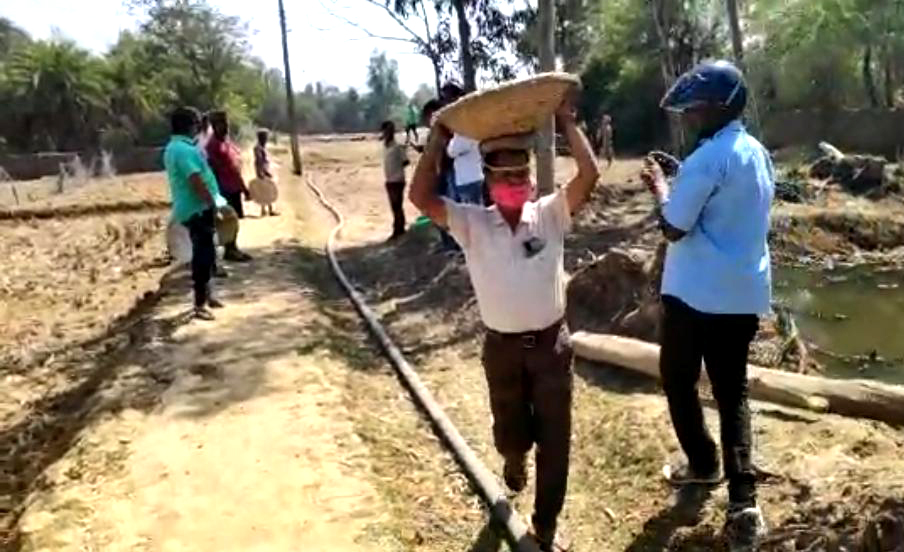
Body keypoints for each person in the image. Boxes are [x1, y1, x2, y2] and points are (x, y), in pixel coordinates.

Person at [409, 92, 600, 552]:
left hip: (552, 347)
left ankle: (546, 525)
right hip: (502, 349)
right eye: (504, 176)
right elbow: (419, 195)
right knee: (509, 427)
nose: (515, 182)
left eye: (521, 174)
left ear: (532, 180)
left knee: (556, 439)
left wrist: (565, 122)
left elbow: (589, 175)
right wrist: (438, 138)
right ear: (489, 184)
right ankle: (514, 460)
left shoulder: (551, 215)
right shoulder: (472, 222)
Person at [639, 60, 773, 552]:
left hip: (695, 293)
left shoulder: (705, 159)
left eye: (697, 107)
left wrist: (659, 188)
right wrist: (683, 180)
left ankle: (702, 464)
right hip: (741, 294)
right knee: (732, 390)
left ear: (719, 106)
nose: (690, 114)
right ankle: (744, 503)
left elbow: (674, 227)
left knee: (677, 378)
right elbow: (727, 205)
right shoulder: (756, 153)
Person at [163, 106, 227, 320]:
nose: (198, 128)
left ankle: (208, 297)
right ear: (189, 126)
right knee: (203, 255)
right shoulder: (183, 151)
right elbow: (196, 181)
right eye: (197, 124)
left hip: (194, 207)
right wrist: (212, 204)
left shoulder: (177, 147)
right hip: (196, 208)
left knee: (208, 253)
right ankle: (199, 304)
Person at [206, 110, 252, 262]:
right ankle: (229, 250)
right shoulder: (212, 146)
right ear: (214, 125)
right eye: (222, 124)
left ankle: (233, 248)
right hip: (222, 189)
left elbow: (233, 166)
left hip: (233, 186)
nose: (226, 127)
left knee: (234, 219)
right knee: (227, 221)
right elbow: (213, 169)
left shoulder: (226, 142)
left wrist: (243, 188)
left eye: (227, 124)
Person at [381, 120, 409, 240]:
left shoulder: (397, 147)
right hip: (389, 179)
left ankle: (399, 229)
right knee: (394, 206)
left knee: (397, 205)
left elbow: (406, 161)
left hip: (397, 179)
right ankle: (399, 227)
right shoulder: (385, 146)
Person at [447, 133, 484, 205]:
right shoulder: (478, 131)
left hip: (467, 179)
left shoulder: (463, 134)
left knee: (470, 211)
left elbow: (451, 151)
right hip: (477, 175)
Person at [253, 129, 278, 217]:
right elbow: (259, 161)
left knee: (267, 190)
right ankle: (266, 210)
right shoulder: (258, 148)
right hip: (262, 171)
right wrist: (264, 172)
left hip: (264, 169)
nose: (266, 139)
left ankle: (267, 209)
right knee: (265, 191)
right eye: (265, 137)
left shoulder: (261, 147)